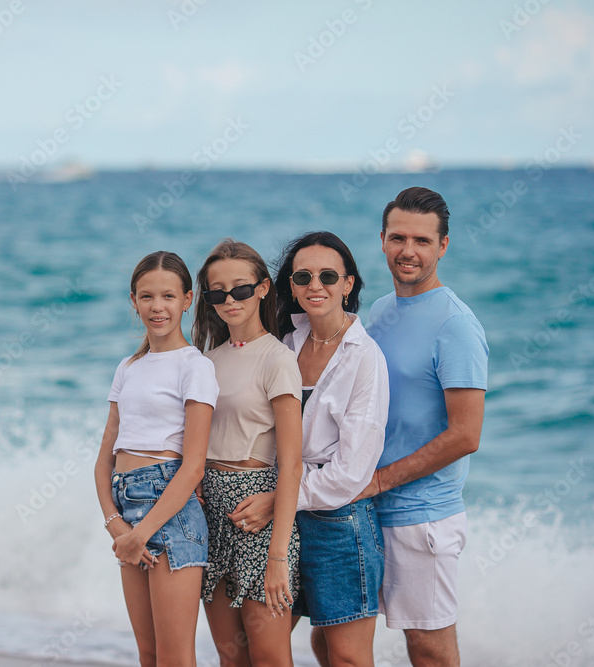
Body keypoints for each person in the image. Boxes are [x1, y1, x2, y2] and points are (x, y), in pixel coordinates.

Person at [348, 187, 489, 667]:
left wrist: (381, 480)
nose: (408, 251)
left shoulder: (456, 325)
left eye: (422, 241)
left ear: (443, 246)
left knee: (428, 650)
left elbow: (466, 434)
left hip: (422, 514)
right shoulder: (381, 310)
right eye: (398, 237)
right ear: (382, 240)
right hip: (365, 507)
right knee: (333, 642)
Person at [235, 231, 386, 667]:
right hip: (277, 513)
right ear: (292, 286)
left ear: (348, 284)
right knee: (259, 647)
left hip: (337, 522)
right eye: (303, 276)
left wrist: (278, 499)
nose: (315, 285)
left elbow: (352, 471)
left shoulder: (365, 357)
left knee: (346, 658)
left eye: (327, 276)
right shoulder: (285, 341)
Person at [94, 250, 219, 667]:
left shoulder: (194, 366)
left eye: (168, 296)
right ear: (133, 301)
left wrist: (141, 531)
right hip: (127, 511)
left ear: (187, 299)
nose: (157, 307)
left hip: (170, 511)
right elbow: (104, 459)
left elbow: (194, 466)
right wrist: (117, 526)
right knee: (148, 655)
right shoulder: (128, 367)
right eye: (147, 297)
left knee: (174, 658)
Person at [193, 239, 304, 667]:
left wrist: (278, 557)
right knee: (229, 657)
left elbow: (292, 463)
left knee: (270, 656)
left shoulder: (278, 359)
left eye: (240, 289)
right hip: (209, 512)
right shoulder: (206, 361)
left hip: (257, 512)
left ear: (261, 289)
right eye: (217, 292)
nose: (228, 300)